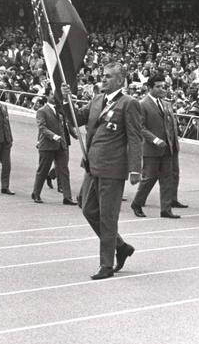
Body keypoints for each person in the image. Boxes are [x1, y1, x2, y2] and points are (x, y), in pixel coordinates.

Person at [62, 62, 142, 280]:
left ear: (120, 80)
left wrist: (135, 169)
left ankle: (106, 265)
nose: (103, 79)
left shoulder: (129, 103)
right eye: (102, 76)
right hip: (92, 165)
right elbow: (77, 118)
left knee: (108, 217)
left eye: (108, 77)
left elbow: (135, 137)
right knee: (88, 209)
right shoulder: (98, 99)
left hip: (112, 168)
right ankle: (121, 246)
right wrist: (65, 100)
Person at [131, 74, 186, 219]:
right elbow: (140, 127)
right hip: (152, 148)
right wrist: (155, 140)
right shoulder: (142, 104)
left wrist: (174, 141)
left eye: (163, 86)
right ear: (150, 88)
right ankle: (137, 202)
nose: (162, 89)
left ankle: (166, 209)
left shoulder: (166, 104)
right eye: (158, 86)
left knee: (167, 178)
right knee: (149, 177)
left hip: (168, 147)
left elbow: (170, 124)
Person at [31, 93, 74, 205]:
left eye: (56, 95)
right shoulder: (42, 111)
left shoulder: (60, 110)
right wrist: (53, 136)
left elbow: (66, 124)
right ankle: (36, 193)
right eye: (51, 94)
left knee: (64, 171)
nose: (55, 97)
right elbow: (42, 127)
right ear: (47, 96)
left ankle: (67, 197)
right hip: (47, 145)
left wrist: (73, 134)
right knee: (43, 170)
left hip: (61, 145)